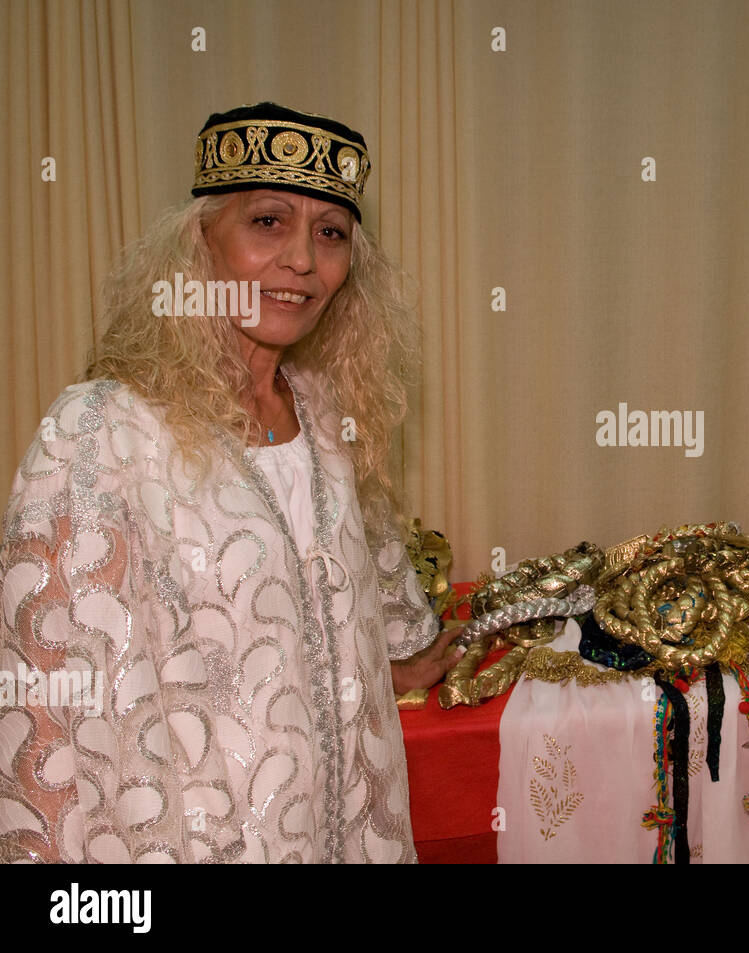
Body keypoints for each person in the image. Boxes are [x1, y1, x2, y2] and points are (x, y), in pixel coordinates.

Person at [0, 103, 460, 863]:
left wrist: (394, 656)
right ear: (199, 243)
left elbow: (348, 602)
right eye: (269, 223)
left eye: (331, 233)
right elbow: (44, 713)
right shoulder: (102, 432)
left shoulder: (329, 413)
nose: (303, 261)